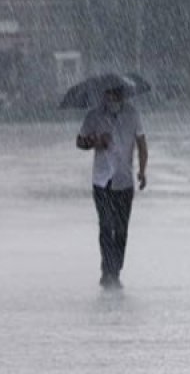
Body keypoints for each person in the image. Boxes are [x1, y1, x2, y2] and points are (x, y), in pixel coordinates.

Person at [77, 83, 148, 289]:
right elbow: (80, 142)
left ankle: (115, 269)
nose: (112, 98)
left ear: (122, 95)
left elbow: (142, 144)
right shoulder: (94, 116)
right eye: (108, 94)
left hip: (124, 180)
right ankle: (107, 271)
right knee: (106, 226)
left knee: (122, 229)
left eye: (116, 94)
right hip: (101, 180)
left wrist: (142, 171)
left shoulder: (133, 115)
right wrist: (95, 140)